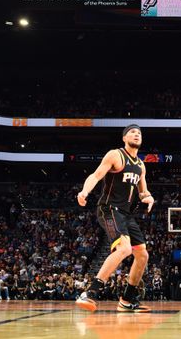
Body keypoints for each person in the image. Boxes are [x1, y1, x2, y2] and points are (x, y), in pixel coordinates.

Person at [75, 125, 155, 313]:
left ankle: (127, 300)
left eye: (139, 133)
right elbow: (96, 175)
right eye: (133, 132)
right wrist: (84, 191)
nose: (137, 134)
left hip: (126, 214)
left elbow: (143, 191)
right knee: (124, 249)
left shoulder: (141, 165)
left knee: (143, 255)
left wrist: (148, 197)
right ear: (124, 138)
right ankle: (90, 292)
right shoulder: (115, 155)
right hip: (109, 209)